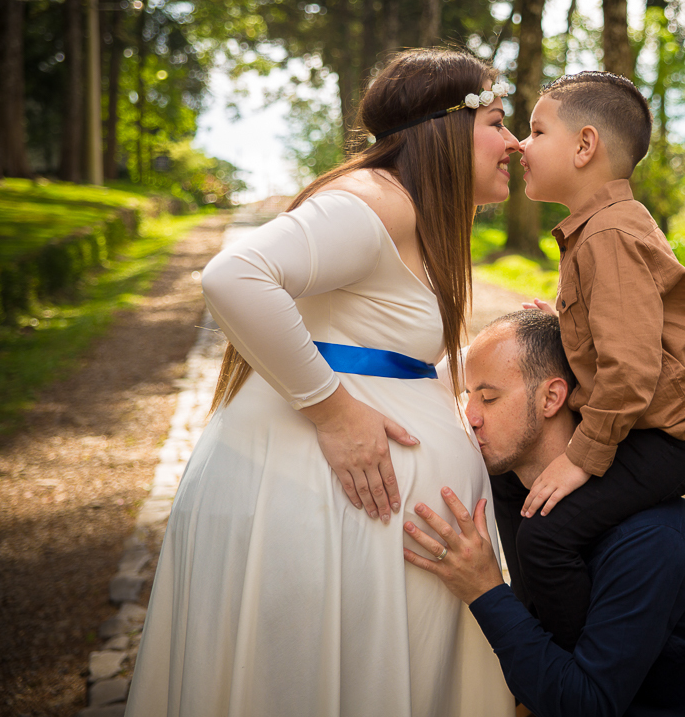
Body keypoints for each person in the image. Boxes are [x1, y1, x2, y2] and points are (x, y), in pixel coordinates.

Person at [125, 49, 518, 717]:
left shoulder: (415, 217)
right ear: (449, 129)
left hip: (347, 527)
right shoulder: (372, 202)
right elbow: (233, 276)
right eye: (500, 122)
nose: (514, 143)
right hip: (306, 513)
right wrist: (334, 413)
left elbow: (396, 356)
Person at [402, 311, 685, 717]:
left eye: (488, 398)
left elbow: (586, 706)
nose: (470, 416)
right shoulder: (517, 494)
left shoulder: (651, 536)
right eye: (468, 395)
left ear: (551, 398)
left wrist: (485, 591)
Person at [500, 71, 685, 650]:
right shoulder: (599, 228)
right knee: (512, 475)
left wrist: (584, 457)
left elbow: (629, 371)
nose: (519, 145)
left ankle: (576, 669)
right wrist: (561, 323)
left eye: (536, 130)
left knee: (546, 536)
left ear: (584, 146)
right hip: (645, 416)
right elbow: (621, 329)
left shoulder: (607, 235)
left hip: (678, 432)